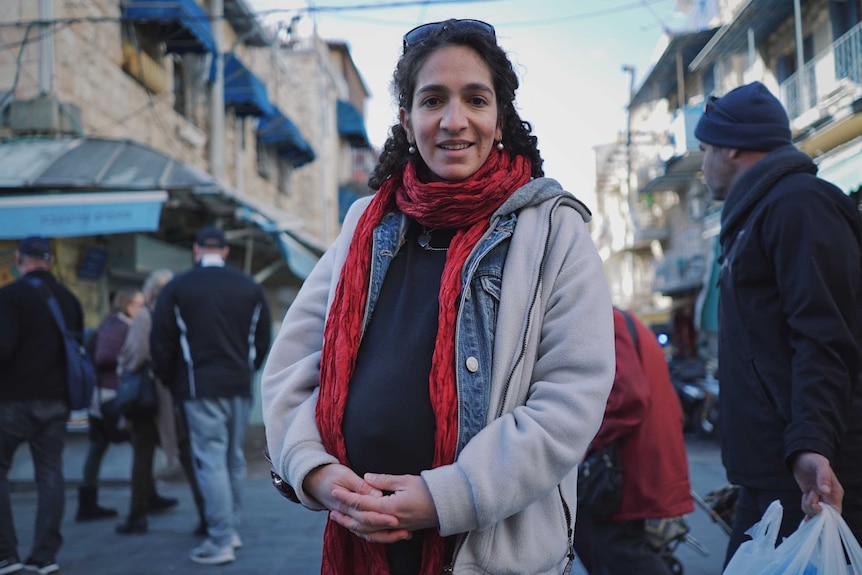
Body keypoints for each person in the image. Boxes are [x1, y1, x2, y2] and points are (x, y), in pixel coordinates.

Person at [260, 19, 615, 575]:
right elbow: (290, 370)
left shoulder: (553, 231)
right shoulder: (364, 224)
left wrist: (446, 498)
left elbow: (571, 399)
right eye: (433, 101)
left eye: (475, 99)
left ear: (500, 119)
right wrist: (316, 473)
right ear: (407, 121)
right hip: (362, 541)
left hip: (485, 555)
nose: (455, 121)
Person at [694, 81, 862, 566]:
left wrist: (810, 444)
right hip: (773, 476)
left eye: (705, 150)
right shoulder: (755, 217)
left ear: (731, 147)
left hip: (809, 475)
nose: (703, 164)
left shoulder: (800, 205)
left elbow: (824, 338)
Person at [150, 226, 272, 566]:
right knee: (232, 459)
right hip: (238, 384)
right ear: (227, 251)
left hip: (198, 385)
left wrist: (170, 380)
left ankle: (220, 540)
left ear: (196, 249)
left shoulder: (178, 287)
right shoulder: (250, 287)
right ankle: (229, 530)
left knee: (211, 461)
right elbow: (262, 340)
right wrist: (249, 370)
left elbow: (161, 343)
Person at [574, 308, 694, 574]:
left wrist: (587, 441)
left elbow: (630, 397)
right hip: (641, 459)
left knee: (615, 548)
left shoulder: (608, 320)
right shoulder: (619, 319)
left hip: (632, 465)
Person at [0, 236, 83, 575]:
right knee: (50, 474)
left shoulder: (9, 297)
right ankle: (45, 556)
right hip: (56, 401)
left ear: (19, 260)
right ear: (49, 260)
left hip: (12, 402)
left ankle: (6, 554)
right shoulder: (69, 299)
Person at [114, 270, 181, 535]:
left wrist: (124, 366)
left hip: (148, 397)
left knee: (141, 456)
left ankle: (136, 515)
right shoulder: (175, 315)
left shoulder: (146, 316)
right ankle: (206, 516)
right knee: (187, 453)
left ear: (150, 292)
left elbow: (136, 355)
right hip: (172, 394)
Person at [75, 287, 144, 522]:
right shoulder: (118, 325)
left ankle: (88, 502)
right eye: (138, 303)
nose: (141, 308)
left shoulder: (115, 324)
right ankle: (143, 497)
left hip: (104, 397)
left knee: (100, 447)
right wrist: (129, 358)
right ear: (126, 304)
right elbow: (104, 357)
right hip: (110, 397)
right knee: (138, 445)